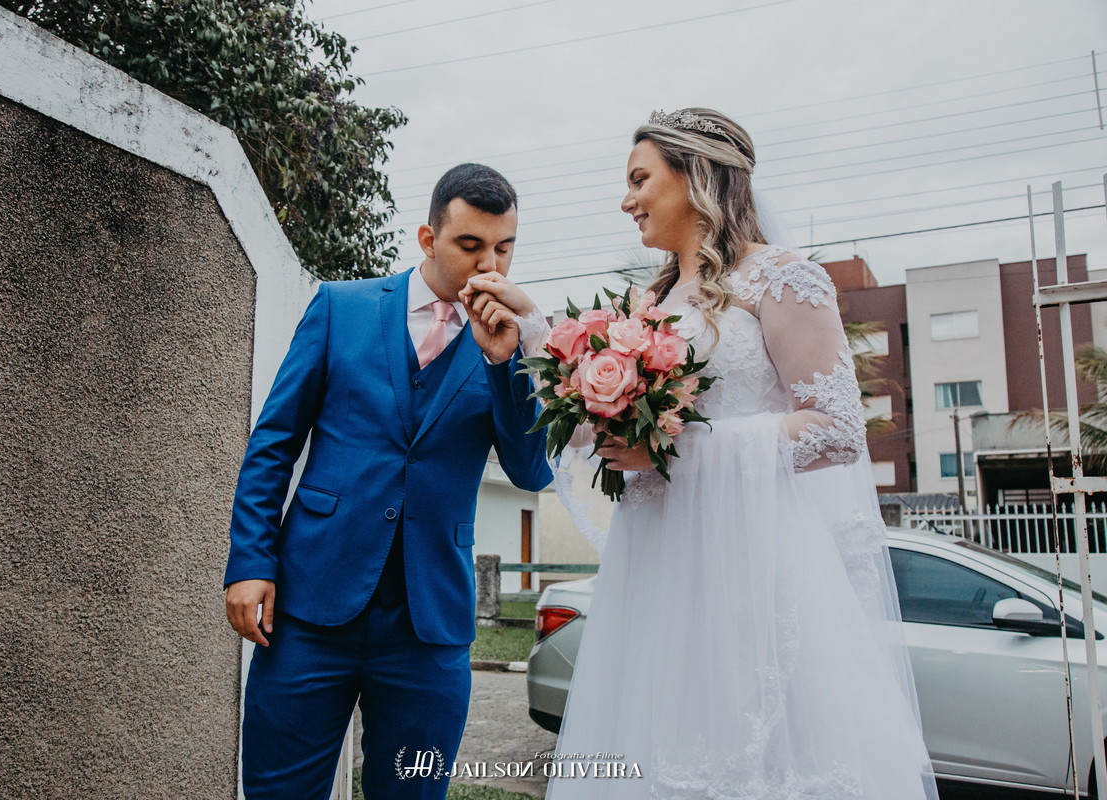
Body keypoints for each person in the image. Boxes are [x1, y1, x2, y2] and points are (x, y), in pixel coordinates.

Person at [472, 109, 939, 799]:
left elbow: (838, 428)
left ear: (695, 175)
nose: (626, 200)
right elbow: (592, 432)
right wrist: (533, 330)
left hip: (750, 565)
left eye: (639, 180)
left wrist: (678, 450)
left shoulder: (782, 279)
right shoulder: (647, 301)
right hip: (656, 570)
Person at [223, 163, 552, 800]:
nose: (490, 266)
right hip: (310, 606)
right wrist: (249, 563)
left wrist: (502, 364)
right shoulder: (340, 307)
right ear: (428, 238)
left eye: (504, 248)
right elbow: (273, 445)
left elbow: (531, 470)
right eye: (470, 245)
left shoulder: (513, 344)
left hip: (428, 627)